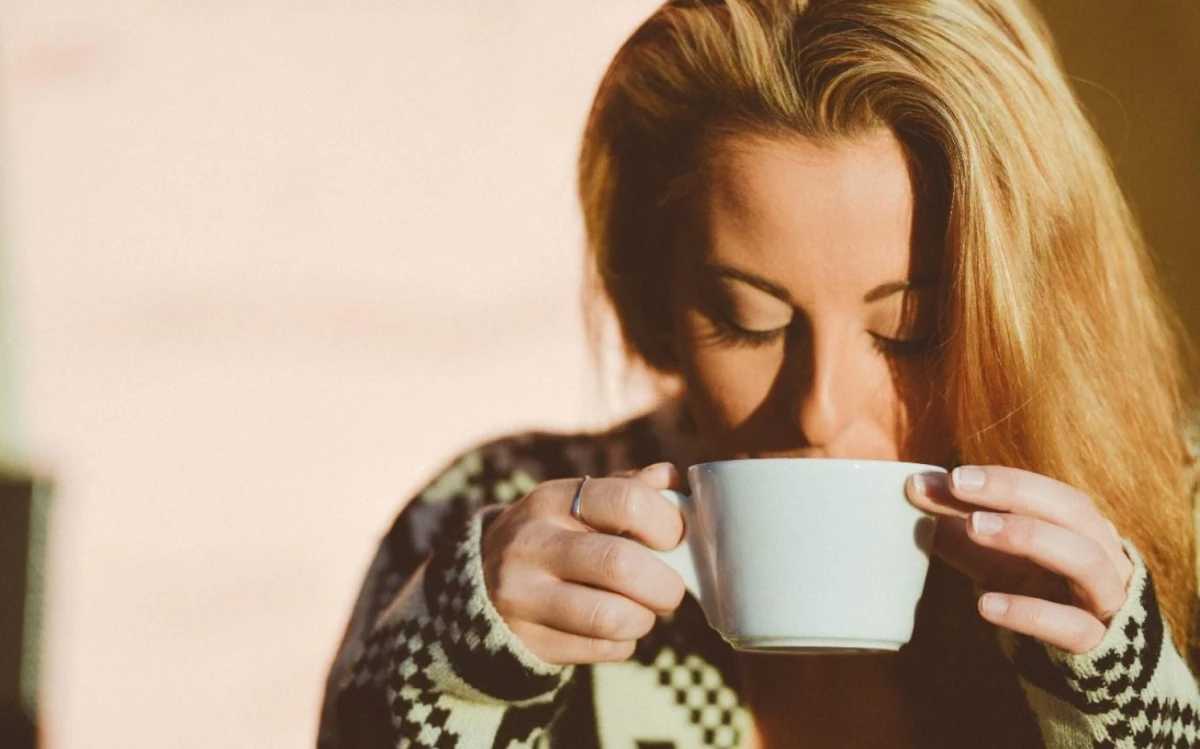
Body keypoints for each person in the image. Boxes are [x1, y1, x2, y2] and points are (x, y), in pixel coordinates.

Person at [318, 0, 1200, 746]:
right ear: (657, 295)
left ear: (1037, 305)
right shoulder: (491, 511)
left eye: (911, 330)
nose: (818, 410)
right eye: (751, 321)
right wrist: (457, 682)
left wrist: (1134, 705)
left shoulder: (1180, 522)